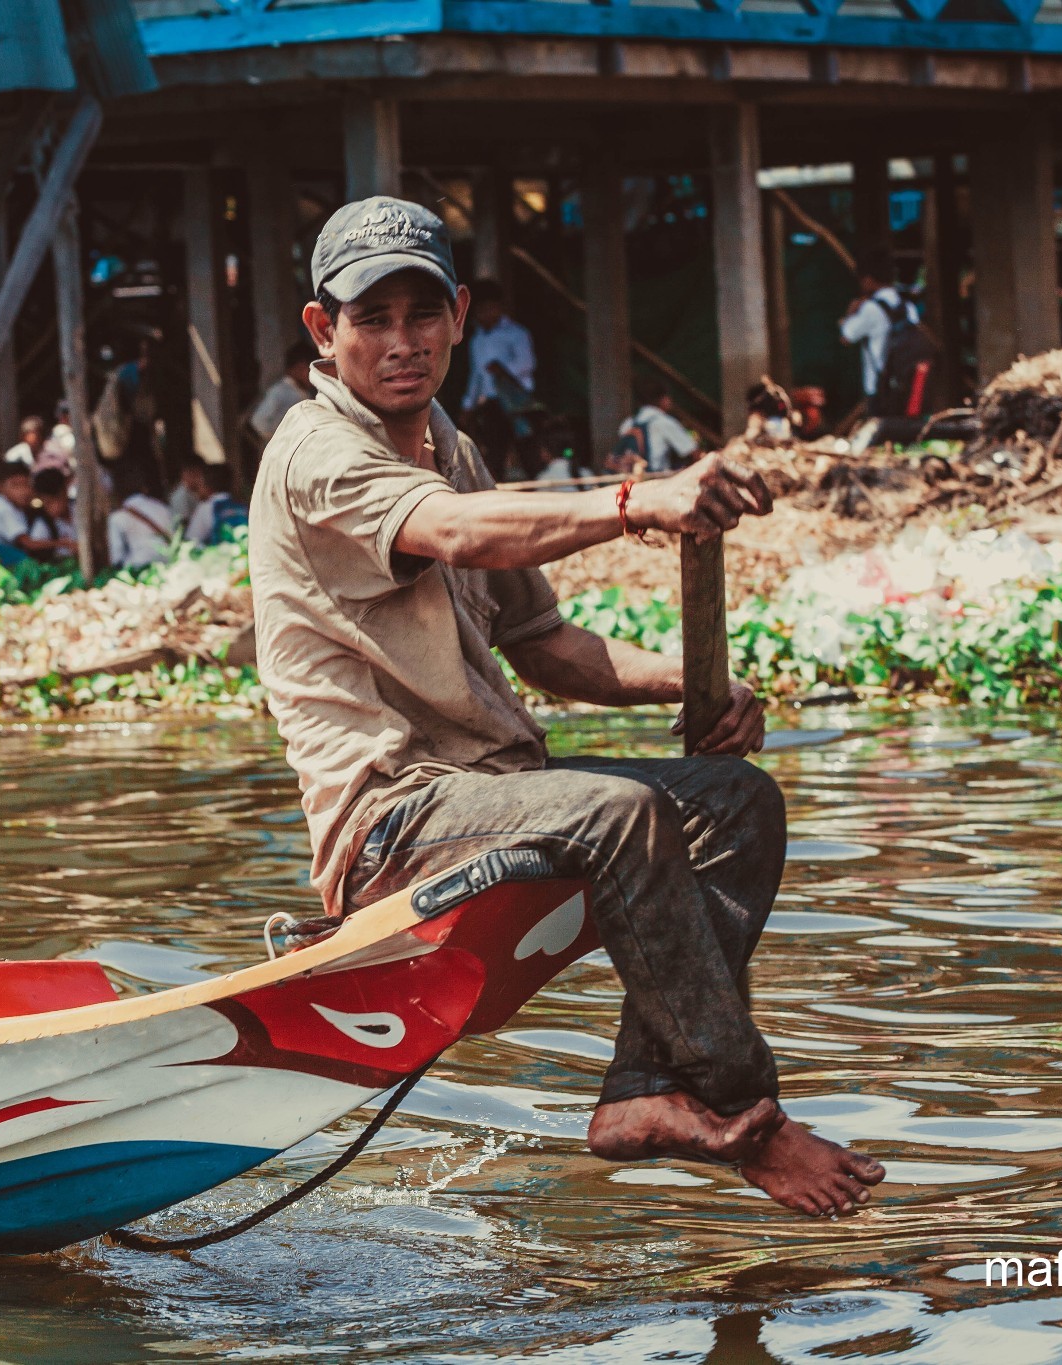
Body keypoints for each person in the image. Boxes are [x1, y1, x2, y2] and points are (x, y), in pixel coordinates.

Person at [252, 195, 885, 1218]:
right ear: (322, 331)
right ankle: (743, 1115)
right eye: (372, 320)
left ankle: (648, 1088)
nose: (402, 343)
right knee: (614, 811)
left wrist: (701, 681)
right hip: (394, 823)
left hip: (491, 794)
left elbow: (546, 646)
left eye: (422, 315)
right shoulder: (316, 450)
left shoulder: (442, 442)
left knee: (734, 801)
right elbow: (461, 533)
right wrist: (637, 502)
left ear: (458, 316)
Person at [838, 251, 918, 408]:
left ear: (868, 280)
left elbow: (846, 337)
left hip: (879, 389)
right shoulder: (908, 307)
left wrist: (850, 314)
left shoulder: (870, 309)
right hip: (905, 384)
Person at [460, 278, 536, 413]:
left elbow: (527, 363)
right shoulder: (476, 340)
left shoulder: (516, 333)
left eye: (489, 307)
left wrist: (502, 369)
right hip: (490, 404)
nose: (485, 313)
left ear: (500, 307)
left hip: (518, 402)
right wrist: (468, 405)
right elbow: (476, 375)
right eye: (480, 310)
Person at [618, 384, 702, 473]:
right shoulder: (664, 422)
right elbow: (693, 452)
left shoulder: (628, 423)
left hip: (630, 480)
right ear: (663, 399)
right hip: (656, 478)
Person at [248, 341, 320, 444]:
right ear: (298, 368)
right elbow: (258, 422)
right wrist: (282, 437)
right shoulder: (279, 391)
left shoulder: (304, 392)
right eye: (308, 370)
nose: (312, 375)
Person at [107, 469, 177, 568]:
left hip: (138, 570)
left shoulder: (117, 518)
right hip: (170, 564)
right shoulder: (162, 508)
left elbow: (116, 558)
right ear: (144, 488)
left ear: (117, 493)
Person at [185, 461, 249, 545]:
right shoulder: (242, 505)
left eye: (200, 483)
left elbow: (192, 540)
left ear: (207, 486)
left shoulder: (205, 508)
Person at [25, 467, 78, 562]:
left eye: (57, 499)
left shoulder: (79, 509)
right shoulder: (44, 523)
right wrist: (62, 544)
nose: (55, 506)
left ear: (65, 491)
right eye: (48, 502)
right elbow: (34, 546)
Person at [169, 458, 211, 527]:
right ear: (188, 474)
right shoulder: (180, 497)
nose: (201, 478)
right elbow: (183, 524)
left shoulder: (197, 491)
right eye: (198, 475)